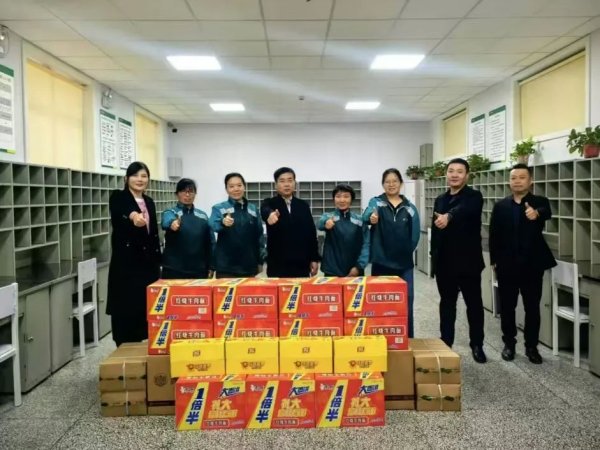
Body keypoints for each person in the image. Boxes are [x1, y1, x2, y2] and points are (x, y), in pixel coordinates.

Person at [489, 164, 557, 364]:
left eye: (522, 177)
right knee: (507, 307)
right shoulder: (500, 206)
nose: (517, 181)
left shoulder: (539, 202)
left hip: (532, 265)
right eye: (513, 178)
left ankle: (531, 346)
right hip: (506, 264)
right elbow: (494, 234)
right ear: (509, 181)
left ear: (530, 181)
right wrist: (494, 260)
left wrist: (536, 213)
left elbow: (547, 212)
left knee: (532, 307)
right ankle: (509, 344)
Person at [431, 158, 487, 363]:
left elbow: (465, 209)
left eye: (459, 171)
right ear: (446, 174)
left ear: (467, 175)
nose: (454, 175)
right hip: (445, 263)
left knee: (474, 305)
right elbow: (435, 232)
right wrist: (434, 258)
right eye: (451, 171)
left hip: (468, 262)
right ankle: (446, 342)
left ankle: (477, 344)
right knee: (447, 304)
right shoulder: (440, 199)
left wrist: (449, 216)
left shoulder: (474, 196)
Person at [107, 161, 160, 346]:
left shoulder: (149, 202)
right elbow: (125, 211)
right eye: (135, 175)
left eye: (144, 176)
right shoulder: (118, 197)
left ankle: (140, 350)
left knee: (144, 310)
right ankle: (124, 349)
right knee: (126, 310)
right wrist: (134, 216)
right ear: (126, 178)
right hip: (127, 265)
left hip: (148, 265)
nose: (140, 179)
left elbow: (153, 233)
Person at [362, 168, 420, 338]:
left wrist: (404, 251)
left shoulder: (410, 208)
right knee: (380, 302)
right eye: (387, 181)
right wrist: (371, 217)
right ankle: (380, 338)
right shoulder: (377, 202)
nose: (391, 184)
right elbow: (367, 215)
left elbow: (415, 235)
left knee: (406, 302)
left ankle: (407, 338)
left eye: (395, 181)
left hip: (404, 264)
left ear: (400, 183)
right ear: (383, 184)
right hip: (381, 262)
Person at [260, 167, 319, 277]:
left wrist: (314, 258)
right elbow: (265, 210)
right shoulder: (270, 203)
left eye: (290, 180)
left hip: (301, 263)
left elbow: (311, 233)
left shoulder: (303, 205)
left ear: (294, 183)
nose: (287, 184)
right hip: (278, 264)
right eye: (282, 181)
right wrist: (270, 214)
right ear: (276, 185)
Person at [209, 172, 266, 278]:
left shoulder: (253, 209)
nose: (236, 189)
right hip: (226, 268)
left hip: (249, 266)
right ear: (226, 189)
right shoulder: (219, 208)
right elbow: (212, 224)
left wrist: (260, 260)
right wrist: (223, 222)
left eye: (239, 185)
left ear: (244, 186)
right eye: (231, 186)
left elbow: (259, 235)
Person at [161, 178, 214, 279]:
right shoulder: (170, 212)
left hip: (199, 271)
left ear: (195, 194)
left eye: (191, 191)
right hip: (173, 270)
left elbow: (210, 242)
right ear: (177, 194)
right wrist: (172, 223)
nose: (187, 194)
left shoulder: (203, 216)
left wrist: (211, 266)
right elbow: (166, 221)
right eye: (183, 191)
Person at [318, 184, 369, 277]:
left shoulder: (360, 220)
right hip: (331, 270)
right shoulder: (328, 216)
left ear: (351, 199)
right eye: (338, 196)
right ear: (334, 199)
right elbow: (319, 224)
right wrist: (326, 223)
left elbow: (367, 244)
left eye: (346, 196)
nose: (342, 200)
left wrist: (359, 266)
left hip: (355, 269)